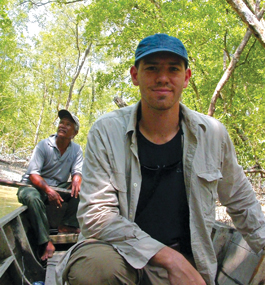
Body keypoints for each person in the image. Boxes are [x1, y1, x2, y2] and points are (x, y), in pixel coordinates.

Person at [55, 34, 265, 285]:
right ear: (135, 75)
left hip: (190, 263)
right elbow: (96, 215)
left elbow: (242, 202)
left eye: (173, 69)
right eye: (152, 68)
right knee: (94, 268)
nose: (163, 78)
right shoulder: (106, 131)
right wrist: (168, 258)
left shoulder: (213, 134)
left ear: (186, 78)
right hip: (122, 256)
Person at [17, 109, 83, 261]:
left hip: (57, 186)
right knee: (33, 198)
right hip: (32, 187)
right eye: (61, 123)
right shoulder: (44, 145)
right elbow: (33, 175)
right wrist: (48, 190)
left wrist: (76, 179)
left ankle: (67, 224)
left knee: (81, 189)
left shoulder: (76, 149)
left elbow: (77, 172)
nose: (62, 126)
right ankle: (45, 241)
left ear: (75, 132)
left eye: (68, 124)